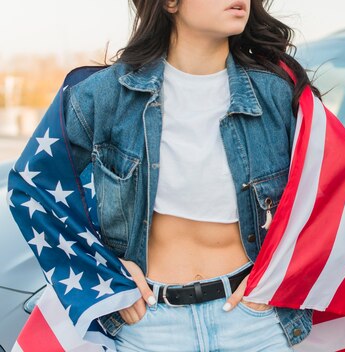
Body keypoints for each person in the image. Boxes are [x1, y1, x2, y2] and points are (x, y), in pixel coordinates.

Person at [47, 0, 321, 350]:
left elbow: (329, 195)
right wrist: (105, 271)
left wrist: (282, 272)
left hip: (255, 323)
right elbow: (34, 187)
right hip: (150, 327)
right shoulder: (106, 94)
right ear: (170, 3)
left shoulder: (277, 93)